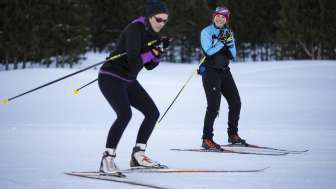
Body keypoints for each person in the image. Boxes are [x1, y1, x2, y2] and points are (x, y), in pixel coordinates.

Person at [98, 0, 169, 176]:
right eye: (159, 19)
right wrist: (151, 52)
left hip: (128, 79)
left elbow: (149, 66)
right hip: (110, 76)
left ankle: (138, 156)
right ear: (149, 16)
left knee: (152, 113)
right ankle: (107, 160)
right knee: (124, 114)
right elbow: (133, 61)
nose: (162, 24)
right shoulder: (135, 28)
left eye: (165, 21)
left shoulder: (155, 35)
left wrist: (159, 53)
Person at [199, 6, 246, 150]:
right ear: (214, 17)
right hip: (211, 72)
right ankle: (206, 139)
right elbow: (208, 51)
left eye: (223, 17)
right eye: (217, 16)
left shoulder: (228, 32)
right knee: (214, 106)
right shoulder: (206, 32)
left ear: (226, 19)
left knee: (236, 102)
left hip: (225, 72)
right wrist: (221, 42)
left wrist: (227, 43)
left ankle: (233, 135)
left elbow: (233, 52)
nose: (219, 18)